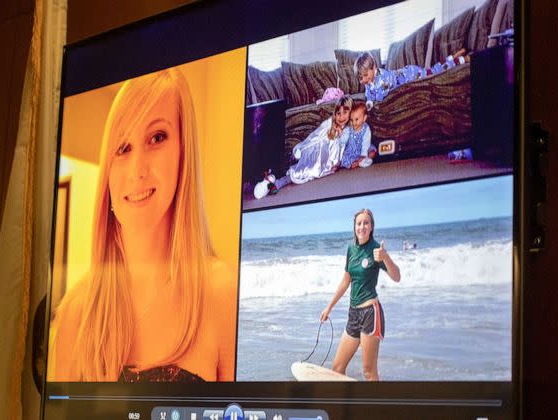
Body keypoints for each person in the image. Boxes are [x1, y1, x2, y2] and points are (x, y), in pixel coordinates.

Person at [48, 68, 236, 382]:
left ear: (183, 152)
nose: (137, 170)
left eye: (156, 137)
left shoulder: (221, 294)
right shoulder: (75, 314)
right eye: (123, 148)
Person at [320, 209, 400, 381]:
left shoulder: (376, 250)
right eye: (359, 223)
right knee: (337, 368)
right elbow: (345, 281)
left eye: (366, 223)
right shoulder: (351, 249)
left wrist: (385, 257)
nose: (362, 227)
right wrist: (329, 307)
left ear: (371, 227)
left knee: (369, 372)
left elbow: (397, 277)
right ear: (354, 227)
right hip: (354, 314)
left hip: (370, 313)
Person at [258, 96, 353, 197]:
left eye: (345, 113)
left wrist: (336, 162)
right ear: (335, 113)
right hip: (311, 150)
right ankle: (271, 175)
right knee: (295, 161)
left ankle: (278, 182)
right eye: (338, 113)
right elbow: (317, 135)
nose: (341, 117)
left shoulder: (347, 130)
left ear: (350, 113)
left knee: (303, 171)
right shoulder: (330, 122)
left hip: (322, 160)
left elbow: (341, 147)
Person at [354, 50, 467, 110]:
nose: (363, 80)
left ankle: (459, 60)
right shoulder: (368, 82)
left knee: (432, 73)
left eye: (365, 75)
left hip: (411, 74)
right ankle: (452, 58)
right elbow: (369, 93)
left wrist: (374, 101)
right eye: (360, 77)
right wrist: (369, 101)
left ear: (374, 68)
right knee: (431, 70)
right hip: (407, 73)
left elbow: (382, 94)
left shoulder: (384, 77)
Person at [340, 100, 372, 169]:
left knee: (372, 151)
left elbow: (366, 143)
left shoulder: (366, 129)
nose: (354, 123)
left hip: (363, 149)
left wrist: (363, 155)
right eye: (351, 120)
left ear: (364, 118)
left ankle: (365, 159)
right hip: (351, 152)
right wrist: (341, 136)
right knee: (344, 159)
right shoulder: (348, 129)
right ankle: (357, 163)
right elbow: (342, 141)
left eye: (356, 119)